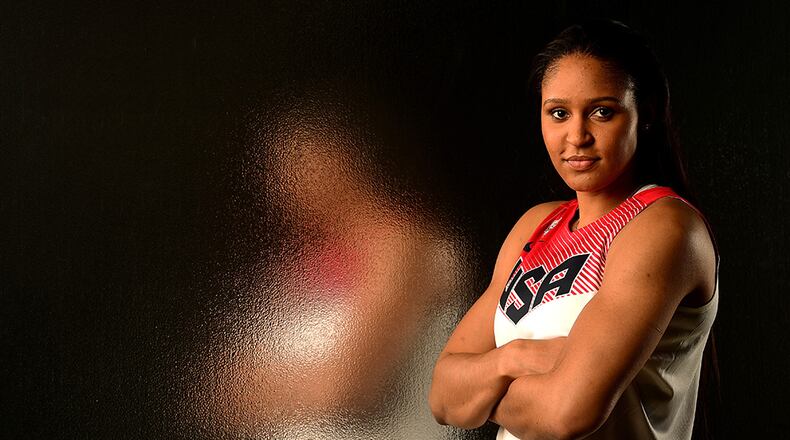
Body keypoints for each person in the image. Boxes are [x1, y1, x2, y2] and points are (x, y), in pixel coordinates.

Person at [428, 19, 718, 440]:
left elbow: (568, 413)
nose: (577, 136)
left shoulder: (664, 226)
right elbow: (442, 395)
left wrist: (482, 392)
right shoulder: (536, 226)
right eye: (559, 113)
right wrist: (515, 358)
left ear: (647, 113)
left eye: (602, 112)